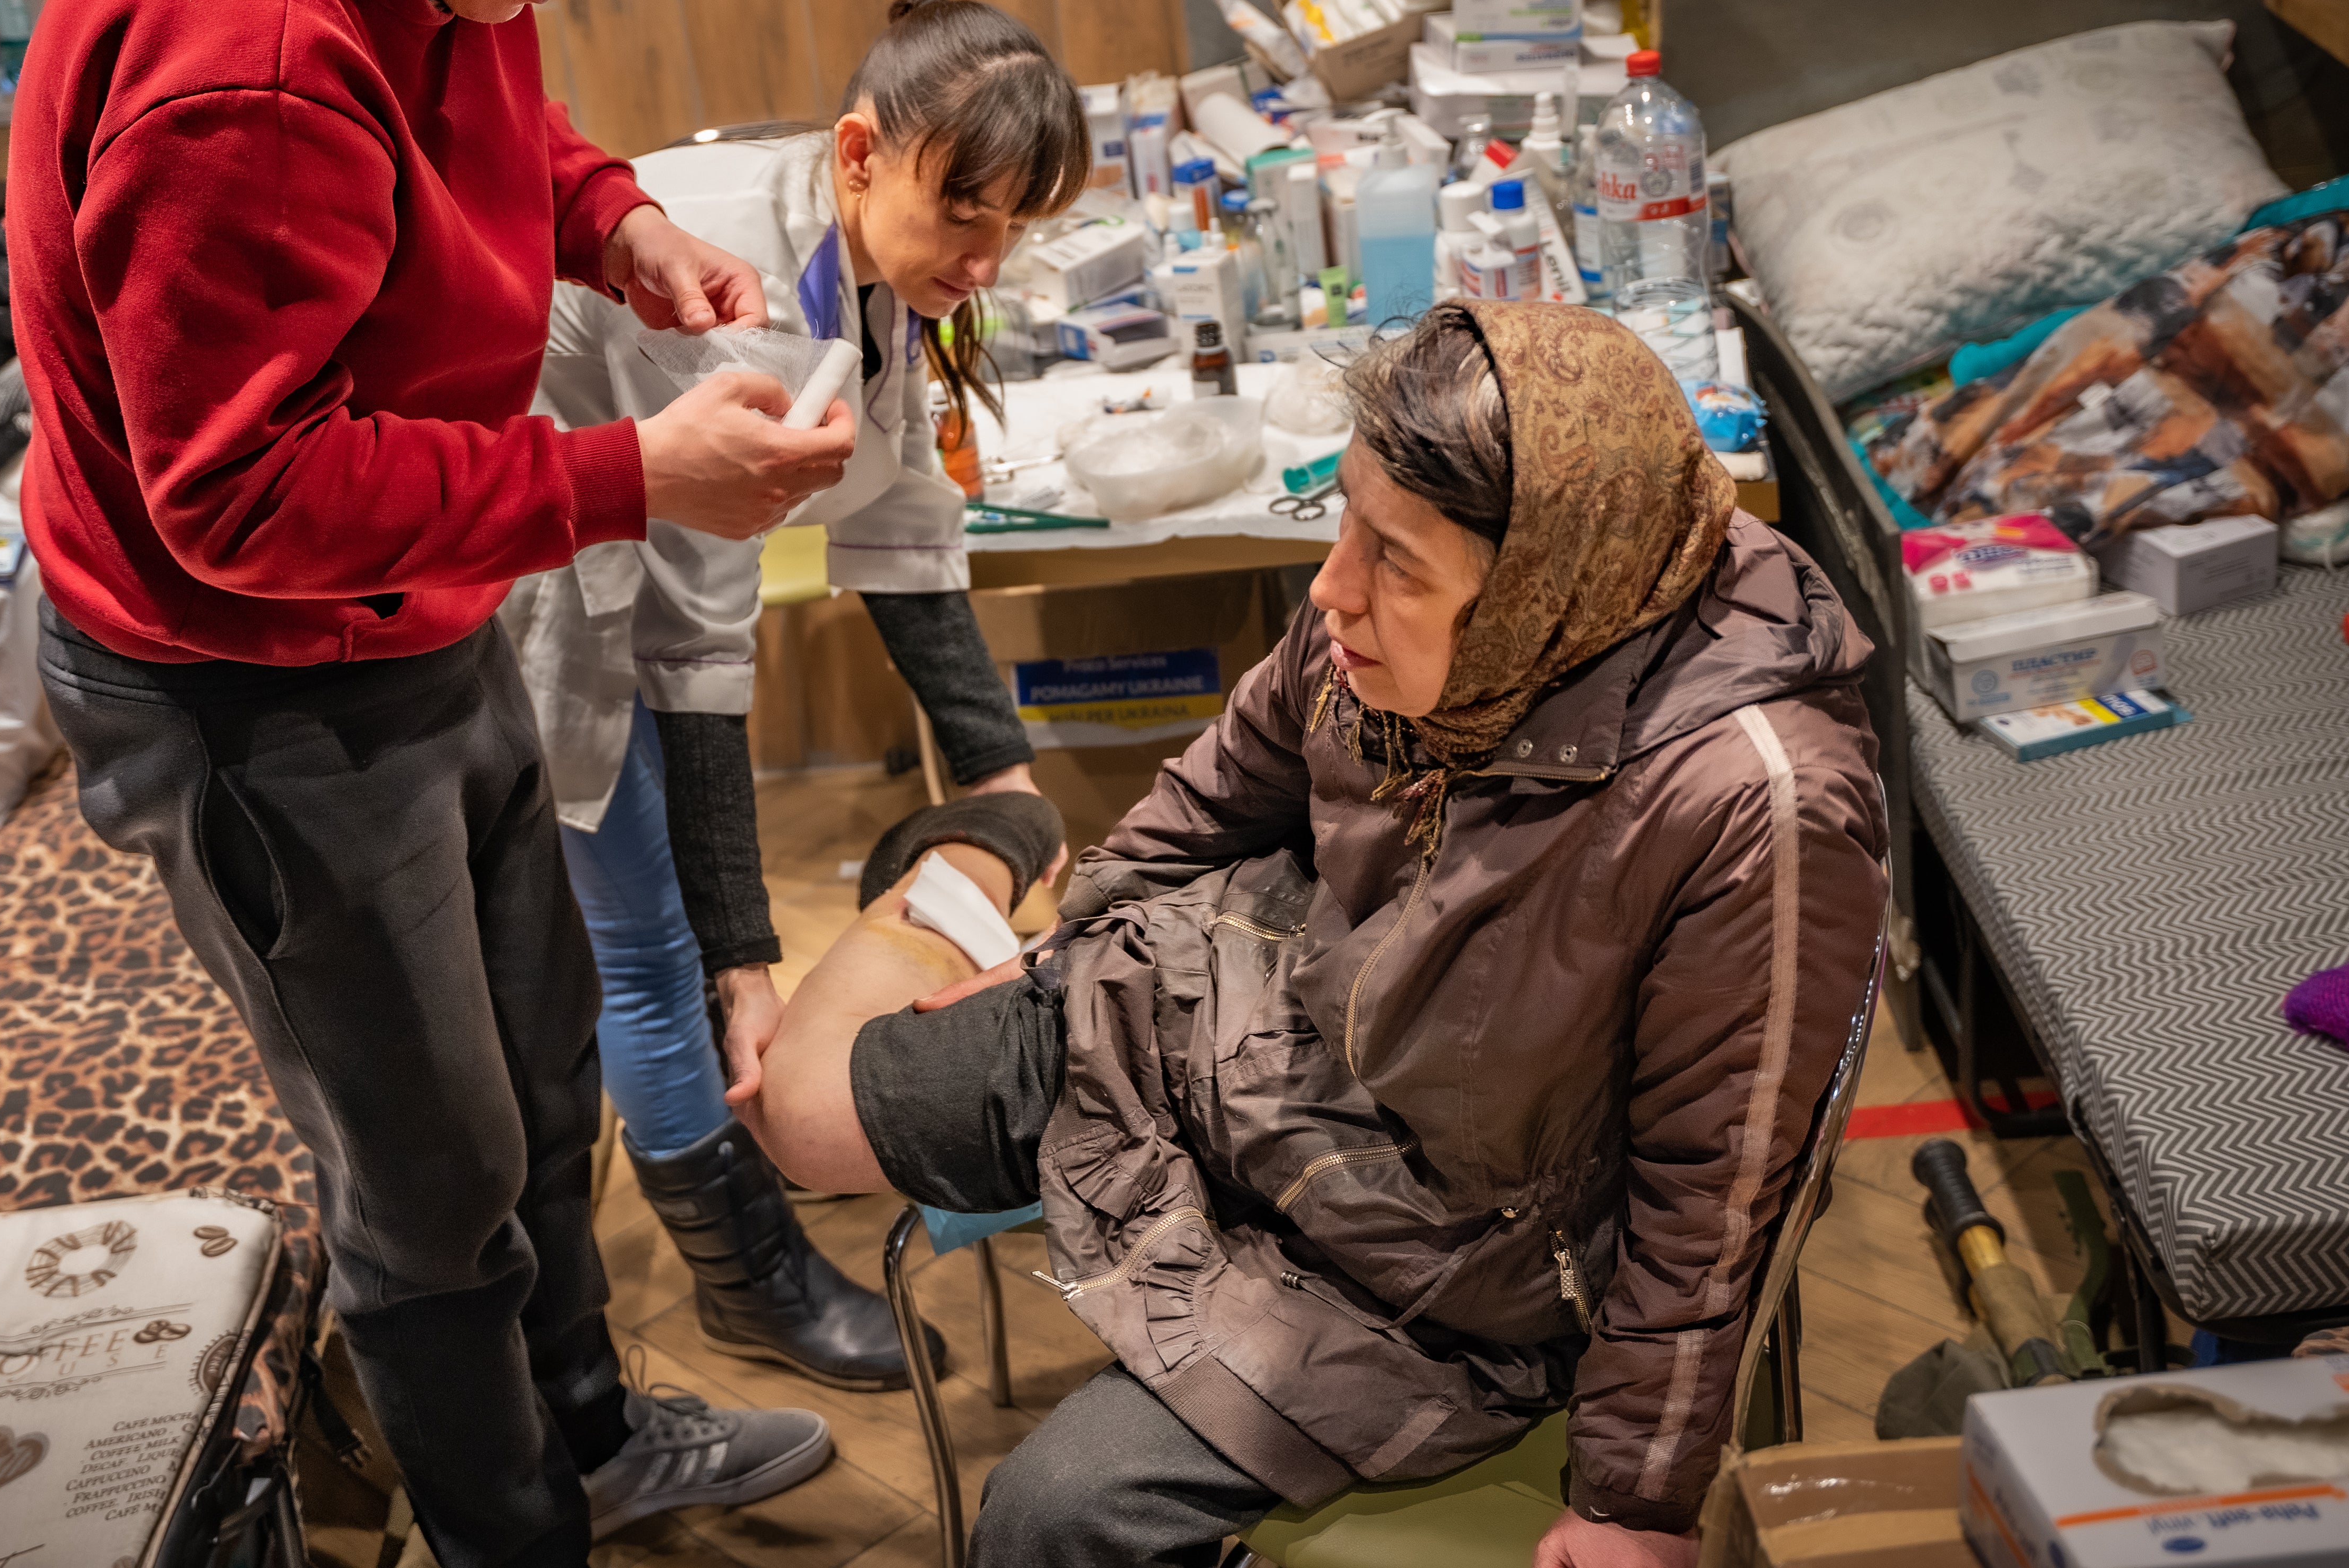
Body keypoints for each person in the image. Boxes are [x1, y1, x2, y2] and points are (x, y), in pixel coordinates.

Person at [5, 0, 859, 1561]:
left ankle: (594, 1434)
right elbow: (240, 501)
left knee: (544, 1067)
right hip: (246, 681)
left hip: (406, 616)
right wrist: (630, 475)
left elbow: (484, 119)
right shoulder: (249, 50)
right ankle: (510, 1531)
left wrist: (619, 224)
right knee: (427, 1179)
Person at [744, 302, 1890, 1567]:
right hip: (1237, 1011)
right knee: (798, 1112)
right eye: (1342, 517)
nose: (1332, 587)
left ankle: (969, 865)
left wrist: (1632, 1499)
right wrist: (1072, 937)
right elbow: (1209, 801)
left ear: (1533, 596)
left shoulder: (1753, 802)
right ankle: (979, 846)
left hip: (1455, 1247)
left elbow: (1708, 1197)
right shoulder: (1365, 625)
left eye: (1396, 559)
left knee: (1049, 1519)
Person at [504, 0, 1088, 1388]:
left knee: (678, 948)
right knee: (650, 953)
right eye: (966, 212)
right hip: (540, 576)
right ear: (860, 153)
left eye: (1018, 222)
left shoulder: (878, 270)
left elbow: (902, 533)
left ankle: (738, 1138)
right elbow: (701, 647)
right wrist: (745, 955)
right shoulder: (738, 298)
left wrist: (1006, 784)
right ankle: (739, 1274)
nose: (989, 258)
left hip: (634, 557)